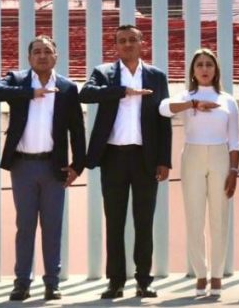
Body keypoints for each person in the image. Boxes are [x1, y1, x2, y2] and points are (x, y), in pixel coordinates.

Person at [0, 36, 87, 301]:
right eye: (37, 52)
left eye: (47, 51)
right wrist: (29, 93)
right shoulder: (18, 80)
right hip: (22, 165)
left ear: (56, 56)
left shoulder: (66, 87)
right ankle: (22, 282)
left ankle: (52, 283)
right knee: (26, 226)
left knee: (53, 226)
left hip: (54, 167)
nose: (42, 56)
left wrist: (78, 165)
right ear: (29, 58)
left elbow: (77, 129)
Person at [80, 24, 172, 299]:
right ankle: (115, 281)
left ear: (142, 42)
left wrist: (163, 160)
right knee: (115, 220)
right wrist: (122, 91)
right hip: (113, 157)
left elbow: (163, 120)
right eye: (122, 41)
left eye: (133, 39)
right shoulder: (105, 73)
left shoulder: (156, 76)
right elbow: (86, 94)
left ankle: (144, 279)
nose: (128, 44)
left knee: (144, 221)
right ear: (116, 46)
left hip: (145, 158)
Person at [159, 49, 239, 297]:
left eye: (209, 65)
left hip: (220, 156)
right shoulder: (186, 96)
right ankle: (200, 274)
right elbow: (164, 108)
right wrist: (193, 104)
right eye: (199, 65)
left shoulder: (227, 99)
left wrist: (234, 170)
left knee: (219, 217)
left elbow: (235, 140)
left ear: (216, 70)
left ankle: (217, 275)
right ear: (193, 71)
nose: (204, 69)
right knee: (194, 218)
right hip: (192, 156)